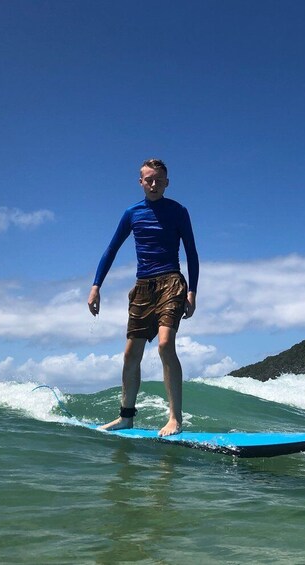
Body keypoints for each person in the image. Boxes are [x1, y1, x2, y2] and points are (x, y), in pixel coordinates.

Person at [87, 158, 199, 437]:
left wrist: (192, 291)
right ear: (140, 182)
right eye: (148, 179)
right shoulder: (132, 213)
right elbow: (111, 249)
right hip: (142, 287)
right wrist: (95, 286)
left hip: (171, 282)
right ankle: (126, 417)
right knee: (130, 354)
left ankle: (175, 418)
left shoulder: (178, 211)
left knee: (164, 344)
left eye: (158, 179)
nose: (153, 184)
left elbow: (192, 253)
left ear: (166, 183)